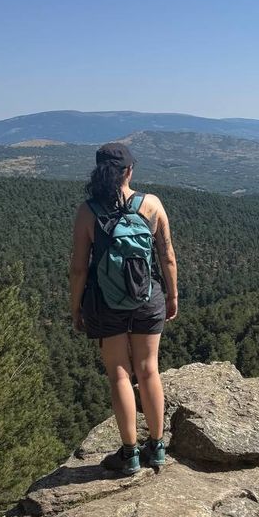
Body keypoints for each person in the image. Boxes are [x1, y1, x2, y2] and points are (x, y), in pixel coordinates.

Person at [69, 142, 178, 474]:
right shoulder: (152, 204)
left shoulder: (88, 211)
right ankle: (157, 448)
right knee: (149, 369)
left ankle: (129, 454)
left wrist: (76, 308)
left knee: (119, 373)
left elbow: (79, 269)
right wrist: (172, 296)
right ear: (129, 171)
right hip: (148, 297)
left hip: (105, 302)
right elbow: (167, 256)